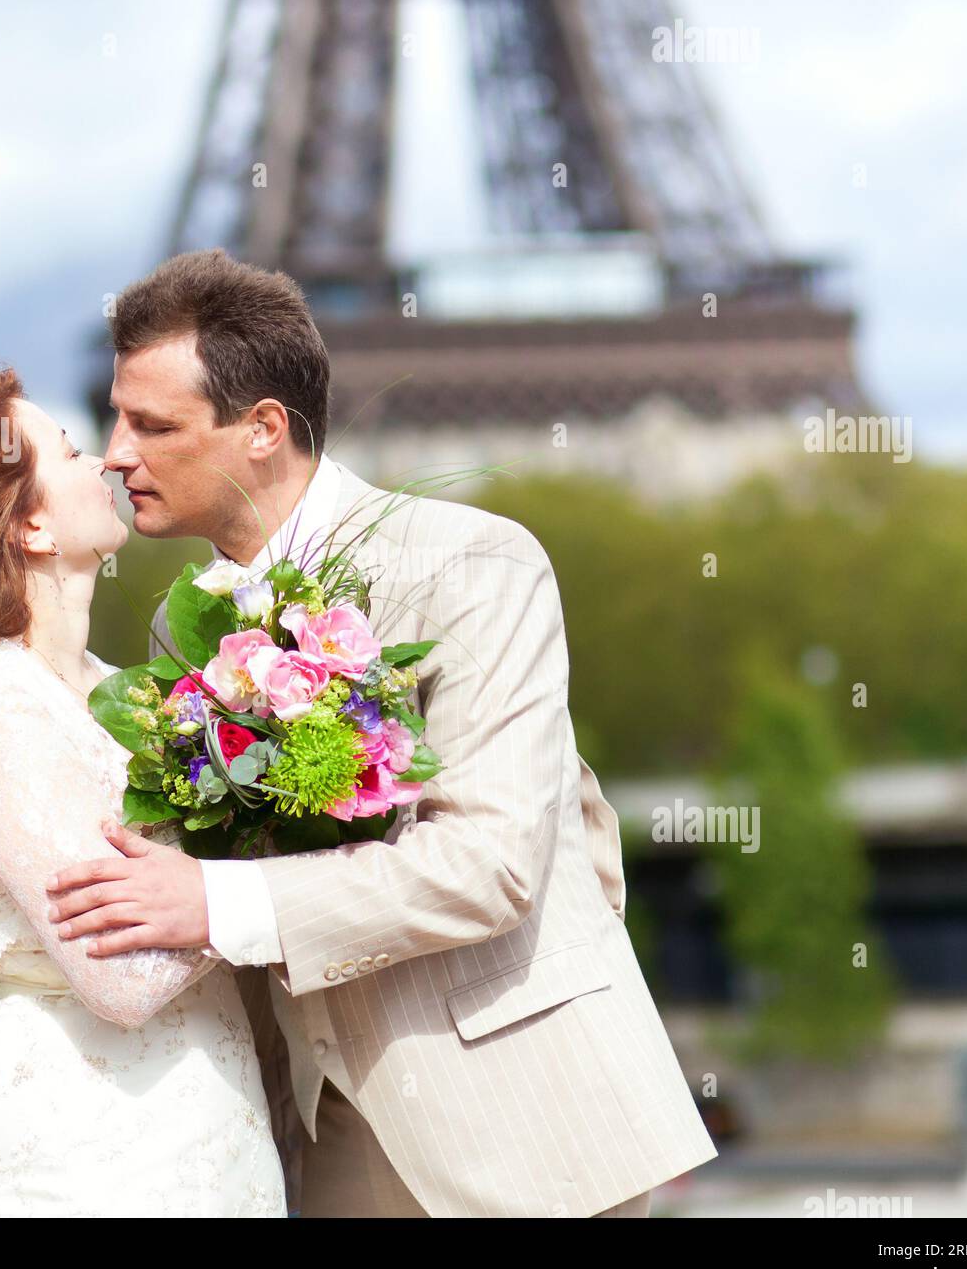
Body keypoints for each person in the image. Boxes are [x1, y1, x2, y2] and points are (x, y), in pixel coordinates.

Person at [49, 249, 719, 1217]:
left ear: (263, 431)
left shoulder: (474, 562)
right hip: (330, 1135)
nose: (114, 452)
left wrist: (214, 903)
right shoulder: (177, 626)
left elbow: (491, 861)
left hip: (524, 1120)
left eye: (152, 425)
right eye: (115, 418)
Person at [0, 369, 286, 1217]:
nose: (106, 460)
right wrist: (286, 840)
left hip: (211, 1128)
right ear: (27, 524)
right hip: (104, 1155)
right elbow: (125, 980)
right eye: (70, 451)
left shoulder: (126, 687)